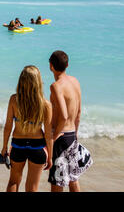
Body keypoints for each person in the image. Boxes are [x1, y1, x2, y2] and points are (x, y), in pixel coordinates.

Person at [1, 66, 53, 192]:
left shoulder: (14, 100)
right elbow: (48, 134)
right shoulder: (45, 104)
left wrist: (4, 147)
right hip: (38, 147)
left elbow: (8, 127)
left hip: (18, 145)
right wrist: (50, 156)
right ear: (38, 82)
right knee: (32, 188)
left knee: (13, 182)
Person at [47, 51, 93, 192]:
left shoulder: (56, 86)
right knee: (73, 178)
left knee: (57, 183)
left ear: (51, 66)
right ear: (67, 65)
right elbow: (78, 112)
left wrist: (53, 138)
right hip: (72, 135)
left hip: (60, 138)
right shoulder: (75, 81)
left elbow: (64, 116)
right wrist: (75, 135)